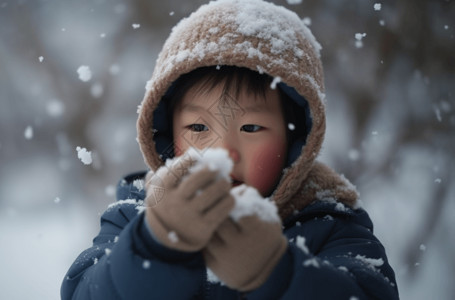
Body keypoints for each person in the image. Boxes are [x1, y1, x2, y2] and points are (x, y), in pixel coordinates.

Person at [61, 0, 399, 299]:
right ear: (167, 137)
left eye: (251, 128)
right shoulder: (136, 216)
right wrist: (156, 246)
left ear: (296, 144)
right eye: (198, 128)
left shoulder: (329, 225)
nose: (223, 152)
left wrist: (276, 272)